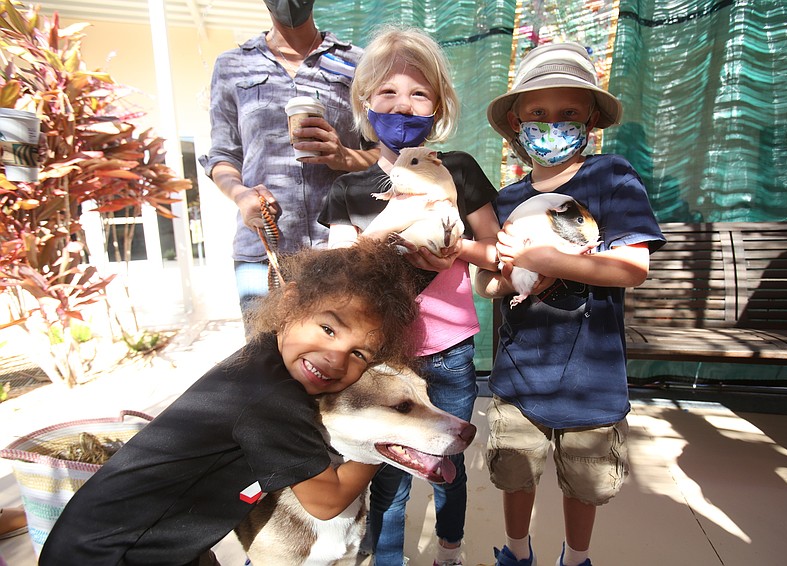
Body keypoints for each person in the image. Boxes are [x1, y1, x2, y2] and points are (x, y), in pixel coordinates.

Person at [38, 239, 422, 566]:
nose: (334, 357)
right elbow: (326, 501)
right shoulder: (271, 402)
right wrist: (384, 444)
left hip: (147, 540)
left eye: (359, 354)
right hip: (112, 554)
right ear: (289, 306)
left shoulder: (264, 357)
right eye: (327, 328)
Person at [475, 42, 666, 566]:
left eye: (568, 114)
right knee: (514, 470)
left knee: (586, 482)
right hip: (519, 372)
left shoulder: (612, 177)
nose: (551, 124)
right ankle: (516, 553)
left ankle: (575, 558)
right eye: (537, 113)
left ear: (591, 120)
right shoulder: (506, 199)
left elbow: (633, 267)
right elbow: (487, 285)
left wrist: (551, 261)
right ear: (516, 121)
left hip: (591, 378)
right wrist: (506, 276)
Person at [318, 25, 500, 566]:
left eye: (419, 93)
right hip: (385, 355)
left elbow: (496, 251)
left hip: (449, 351)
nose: (403, 104)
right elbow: (334, 273)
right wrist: (390, 226)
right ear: (365, 102)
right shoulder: (349, 190)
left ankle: (450, 548)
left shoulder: (457, 170)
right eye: (389, 93)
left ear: (439, 104)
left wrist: (455, 250)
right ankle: (390, 558)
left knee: (448, 463)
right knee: (391, 475)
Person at [199, 0, 380, 322]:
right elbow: (224, 153)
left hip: (342, 244)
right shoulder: (232, 65)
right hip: (264, 247)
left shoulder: (358, 62)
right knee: (265, 356)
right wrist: (241, 195)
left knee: (341, 359)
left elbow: (383, 154)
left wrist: (344, 157)